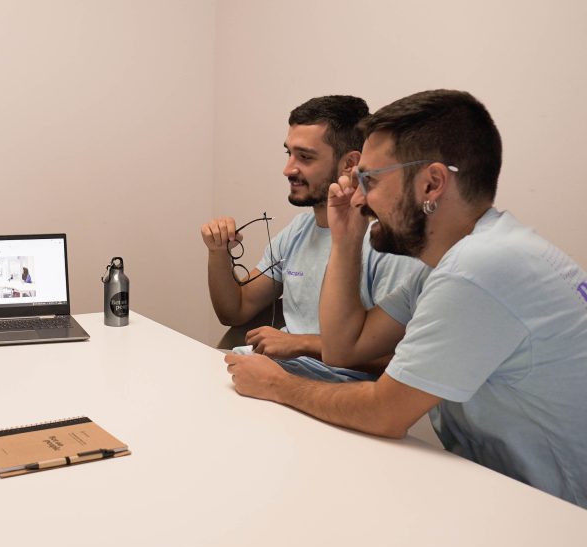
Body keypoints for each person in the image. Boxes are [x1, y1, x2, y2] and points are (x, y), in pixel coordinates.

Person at [227, 90, 587, 507]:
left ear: (432, 184)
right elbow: (345, 349)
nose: (357, 198)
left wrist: (279, 385)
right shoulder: (458, 259)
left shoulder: (480, 268)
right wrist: (346, 240)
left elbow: (385, 413)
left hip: (560, 520)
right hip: (509, 496)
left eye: (371, 181)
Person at [201, 95, 427, 379]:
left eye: (305, 157)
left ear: (349, 164)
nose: (288, 169)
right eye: (289, 154)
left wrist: (301, 345)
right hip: (273, 375)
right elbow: (235, 311)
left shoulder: (386, 243)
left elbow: (401, 360)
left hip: (335, 395)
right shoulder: (298, 230)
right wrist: (217, 251)